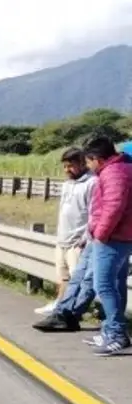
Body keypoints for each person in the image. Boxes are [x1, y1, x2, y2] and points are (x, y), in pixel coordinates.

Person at [83, 136, 132, 355]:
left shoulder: (113, 173)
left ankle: (116, 333)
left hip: (112, 238)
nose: (87, 166)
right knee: (116, 283)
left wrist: (100, 234)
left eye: (88, 161)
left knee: (103, 285)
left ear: (97, 159)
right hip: (120, 236)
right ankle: (109, 330)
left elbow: (113, 206)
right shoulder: (121, 169)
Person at [34, 148, 97, 316]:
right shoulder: (67, 184)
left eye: (71, 166)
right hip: (63, 238)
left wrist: (85, 238)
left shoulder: (92, 183)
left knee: (78, 278)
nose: (67, 170)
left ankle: (75, 311)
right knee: (62, 277)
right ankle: (60, 305)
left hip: (79, 241)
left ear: (82, 163)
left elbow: (94, 213)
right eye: (65, 166)